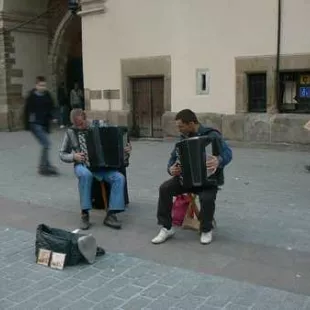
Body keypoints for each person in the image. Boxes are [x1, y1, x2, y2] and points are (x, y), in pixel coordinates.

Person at [151, 109, 232, 245]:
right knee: (165, 188)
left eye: (181, 126)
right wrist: (171, 169)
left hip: (208, 180)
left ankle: (206, 229)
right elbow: (172, 160)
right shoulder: (182, 140)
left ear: (192, 123)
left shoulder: (212, 136)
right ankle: (167, 227)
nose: (179, 129)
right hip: (186, 179)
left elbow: (228, 153)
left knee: (207, 197)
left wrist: (219, 160)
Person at [59, 109, 132, 230]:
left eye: (81, 124)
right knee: (86, 175)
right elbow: (62, 154)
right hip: (82, 165)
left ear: (85, 117)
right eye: (76, 125)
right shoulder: (71, 132)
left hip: (102, 167)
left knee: (119, 178)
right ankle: (85, 214)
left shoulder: (101, 125)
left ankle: (111, 214)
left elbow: (118, 141)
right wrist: (74, 156)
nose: (80, 127)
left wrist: (125, 149)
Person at [24, 76, 58, 176]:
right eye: (41, 85)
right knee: (46, 144)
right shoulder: (31, 96)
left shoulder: (47, 95)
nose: (43, 87)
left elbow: (52, 107)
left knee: (45, 145)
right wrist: (27, 124)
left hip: (44, 124)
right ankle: (43, 167)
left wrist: (53, 117)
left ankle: (47, 165)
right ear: (36, 85)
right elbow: (26, 111)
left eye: (44, 85)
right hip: (35, 125)